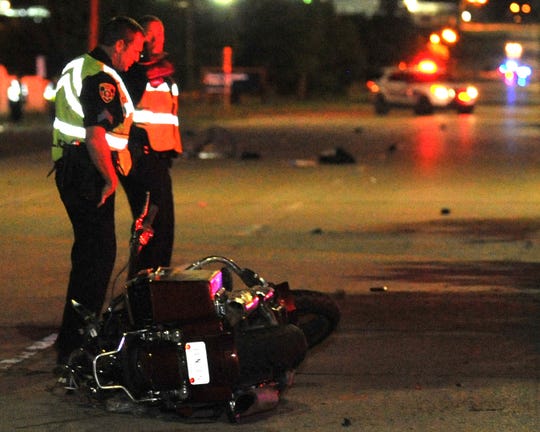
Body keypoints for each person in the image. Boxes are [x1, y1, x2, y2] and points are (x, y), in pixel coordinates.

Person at [52, 16, 144, 368]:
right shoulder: (101, 77)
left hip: (72, 167)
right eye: (135, 49)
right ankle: (76, 346)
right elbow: (95, 136)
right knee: (97, 260)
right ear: (119, 44)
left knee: (89, 257)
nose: (136, 57)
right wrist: (110, 178)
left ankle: (71, 340)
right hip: (86, 173)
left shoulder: (79, 65)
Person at [120, 15, 182, 277]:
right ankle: (143, 290)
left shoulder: (163, 70)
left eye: (161, 34)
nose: (157, 40)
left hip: (159, 157)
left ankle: (156, 287)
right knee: (150, 228)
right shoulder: (135, 70)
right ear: (140, 38)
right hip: (142, 158)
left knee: (164, 228)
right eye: (150, 34)